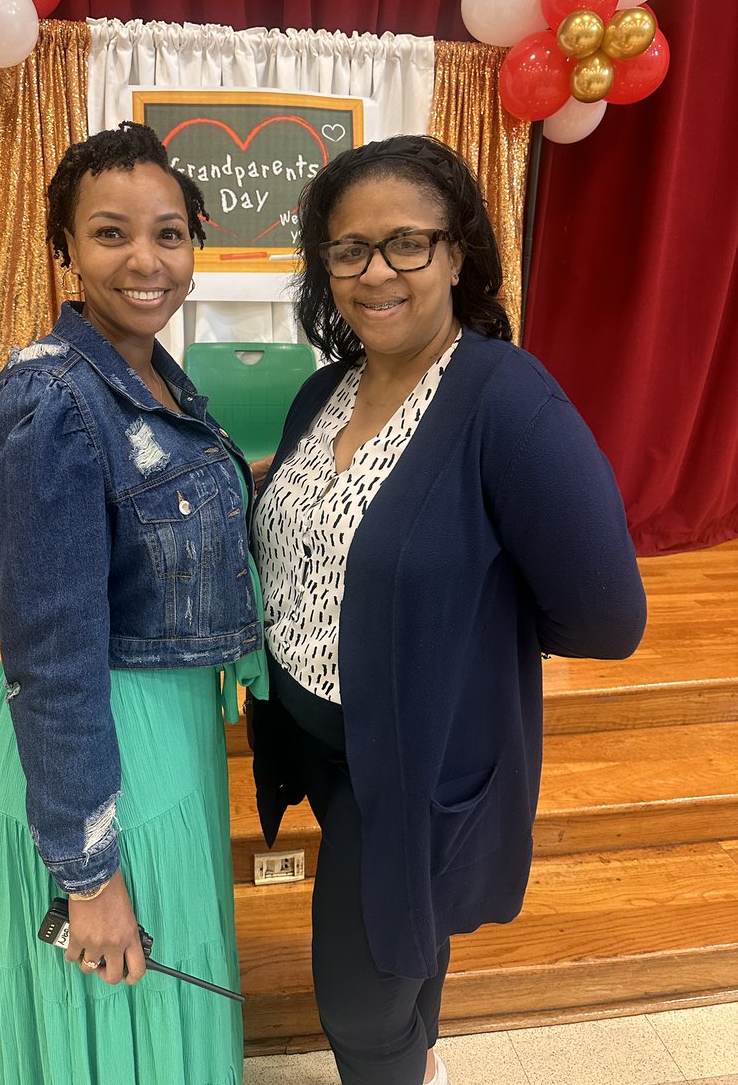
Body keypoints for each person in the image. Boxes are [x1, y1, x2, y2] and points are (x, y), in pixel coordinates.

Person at [249, 134, 647, 1085]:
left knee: (358, 997)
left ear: (459, 254)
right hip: (325, 747)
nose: (374, 271)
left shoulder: (504, 399)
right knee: (403, 958)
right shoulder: (323, 394)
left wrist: (465, 632)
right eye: (348, 250)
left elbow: (607, 616)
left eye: (406, 244)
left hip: (417, 764)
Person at [0, 120, 267, 1085]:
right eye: (111, 233)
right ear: (63, 251)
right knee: (118, 1001)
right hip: (96, 743)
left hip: (166, 728)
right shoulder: (52, 400)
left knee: (160, 1005)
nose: (147, 260)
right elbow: (52, 655)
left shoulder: (155, 377)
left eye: (170, 233)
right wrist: (89, 875)